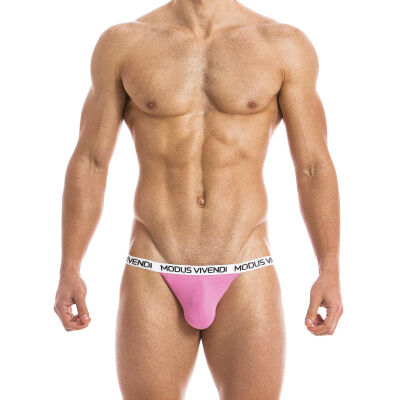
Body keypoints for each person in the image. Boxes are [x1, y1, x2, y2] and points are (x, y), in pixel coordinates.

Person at [54, 0, 343, 398]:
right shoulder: (124, 43)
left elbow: (313, 166)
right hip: (154, 264)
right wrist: (70, 267)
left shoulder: (283, 45)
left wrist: (329, 268)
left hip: (245, 263)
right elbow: (90, 161)